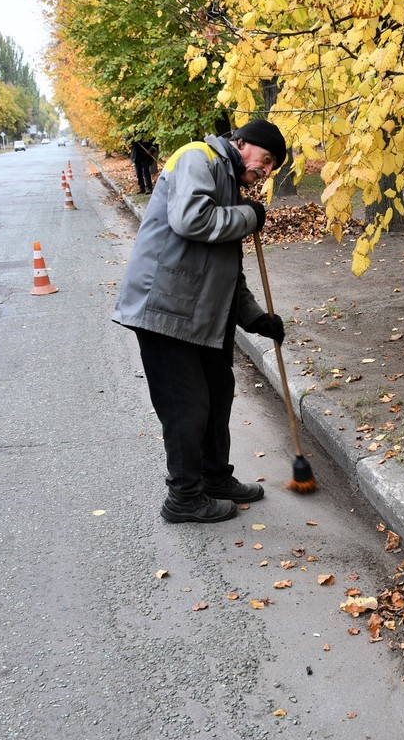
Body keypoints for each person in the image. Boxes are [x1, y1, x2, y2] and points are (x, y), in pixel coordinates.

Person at [113, 120, 290, 524]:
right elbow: (191, 220)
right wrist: (248, 216)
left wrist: (256, 318)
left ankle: (215, 478)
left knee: (218, 393)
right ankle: (184, 498)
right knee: (186, 406)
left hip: (199, 316)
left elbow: (225, 268)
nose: (264, 172)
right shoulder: (199, 157)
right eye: (264, 160)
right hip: (164, 311)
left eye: (270, 167)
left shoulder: (228, 183)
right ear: (241, 143)